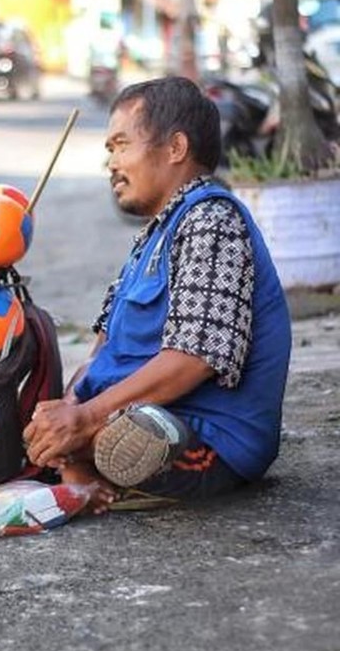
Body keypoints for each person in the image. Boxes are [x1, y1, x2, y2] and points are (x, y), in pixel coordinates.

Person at [23, 75, 292, 512]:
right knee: (42, 417)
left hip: (207, 437)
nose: (111, 163)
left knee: (132, 437)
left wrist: (87, 420)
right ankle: (84, 466)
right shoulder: (154, 236)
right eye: (109, 150)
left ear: (175, 149)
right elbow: (102, 348)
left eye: (121, 145)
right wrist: (69, 408)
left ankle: (96, 460)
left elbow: (194, 359)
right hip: (118, 417)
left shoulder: (213, 221)